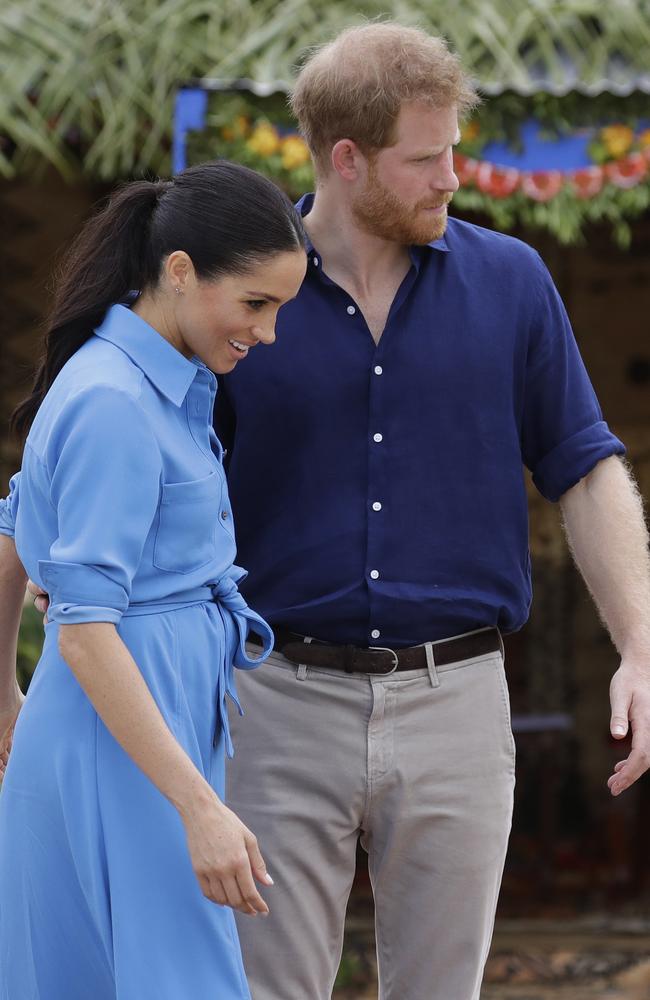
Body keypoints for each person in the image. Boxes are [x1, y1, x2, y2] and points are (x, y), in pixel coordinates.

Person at [211, 23, 650, 1000]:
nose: (452, 177)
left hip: (456, 700)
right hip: (275, 701)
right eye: (427, 158)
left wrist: (639, 644)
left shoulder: (511, 283)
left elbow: (582, 466)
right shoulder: (237, 299)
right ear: (347, 159)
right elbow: (170, 483)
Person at [0, 160, 306, 1000]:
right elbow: (86, 628)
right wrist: (198, 808)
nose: (268, 332)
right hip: (121, 751)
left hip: (133, 734)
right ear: (179, 272)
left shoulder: (155, 381)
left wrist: (2, 693)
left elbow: (13, 523)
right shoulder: (115, 401)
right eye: (256, 303)